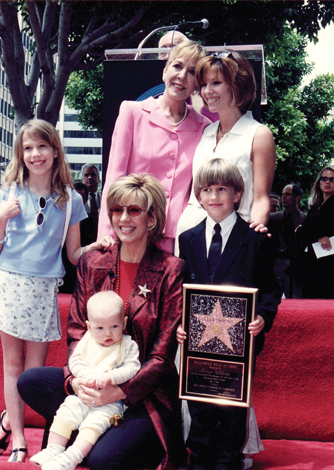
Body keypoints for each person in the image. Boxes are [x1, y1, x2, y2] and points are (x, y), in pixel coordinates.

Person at [18, 173, 188, 470]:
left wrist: (119, 391)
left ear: (152, 218)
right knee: (30, 381)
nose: (123, 218)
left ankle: (113, 439)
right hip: (93, 385)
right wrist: (76, 382)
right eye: (116, 210)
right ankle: (87, 428)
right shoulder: (93, 262)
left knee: (101, 463)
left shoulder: (171, 270)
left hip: (142, 394)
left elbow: (162, 357)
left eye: (134, 210)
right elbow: (76, 333)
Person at [0, 119, 109, 463]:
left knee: (34, 372)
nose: (35, 154)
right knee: (12, 365)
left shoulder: (71, 199)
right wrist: (2, 218)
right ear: (21, 154)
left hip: (43, 289)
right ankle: (19, 437)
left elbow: (75, 255)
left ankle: (9, 419)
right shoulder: (8, 193)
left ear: (54, 151)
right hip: (8, 283)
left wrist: (103, 246)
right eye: (28, 148)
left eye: (42, 146)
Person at [177, 158, 280, 470]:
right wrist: (180, 324)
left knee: (232, 404)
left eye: (222, 188)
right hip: (199, 341)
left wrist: (262, 317)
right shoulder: (188, 239)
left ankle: (227, 459)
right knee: (199, 401)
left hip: (238, 342)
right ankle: (201, 456)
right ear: (198, 195)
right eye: (206, 189)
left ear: (238, 194)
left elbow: (270, 290)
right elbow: (181, 289)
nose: (214, 196)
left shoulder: (256, 239)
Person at [97, 40, 211, 254]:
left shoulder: (204, 127)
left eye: (192, 72)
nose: (182, 76)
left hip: (179, 240)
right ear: (164, 71)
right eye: (177, 66)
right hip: (132, 233)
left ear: (197, 85)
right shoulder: (132, 112)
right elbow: (114, 177)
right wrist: (107, 234)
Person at [30, 290, 141, 470]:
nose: (108, 333)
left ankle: (72, 458)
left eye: (114, 326)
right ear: (89, 327)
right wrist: (82, 376)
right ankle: (53, 449)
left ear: (124, 322)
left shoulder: (128, 344)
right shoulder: (87, 341)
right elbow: (75, 361)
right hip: (83, 393)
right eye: (100, 328)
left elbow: (133, 367)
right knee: (66, 411)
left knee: (93, 424)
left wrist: (112, 377)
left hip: (110, 402)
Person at [175, 50, 276, 248]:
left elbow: (261, 199)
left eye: (216, 83)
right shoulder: (206, 131)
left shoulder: (259, 134)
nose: (207, 91)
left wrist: (249, 241)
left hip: (233, 237)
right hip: (191, 236)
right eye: (204, 84)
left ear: (237, 85)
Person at [293, 166, 334, 299]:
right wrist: (317, 234)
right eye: (324, 178)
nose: (328, 182)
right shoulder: (316, 205)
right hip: (311, 262)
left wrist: (307, 231)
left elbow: (305, 230)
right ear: (319, 182)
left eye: (332, 179)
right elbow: (302, 233)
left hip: (328, 264)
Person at [269, 183, 306, 298]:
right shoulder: (273, 218)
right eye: (283, 194)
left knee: (296, 300)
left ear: (298, 197)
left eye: (288, 194)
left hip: (297, 268)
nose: (284, 197)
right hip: (276, 266)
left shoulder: (306, 219)